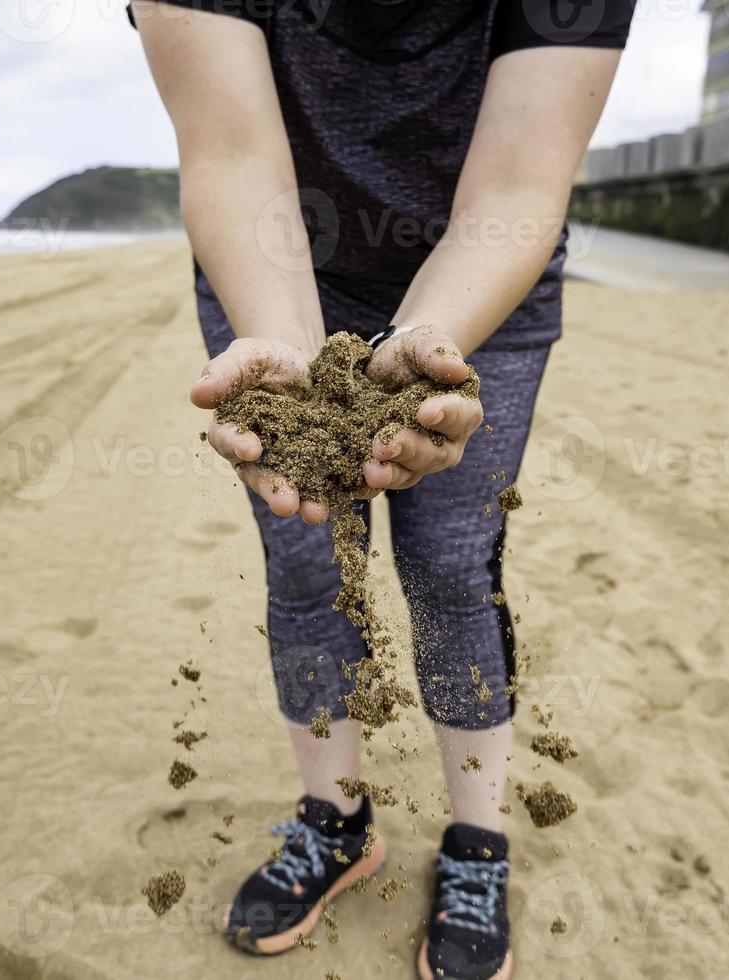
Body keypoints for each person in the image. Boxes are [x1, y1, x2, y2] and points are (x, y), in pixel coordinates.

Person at [131, 2, 632, 977]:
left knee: (449, 561)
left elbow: (520, 183)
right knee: (306, 553)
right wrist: (294, 356)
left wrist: (426, 345)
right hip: (275, 270)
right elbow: (233, 155)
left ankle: (477, 841)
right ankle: (337, 817)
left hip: (486, 272)